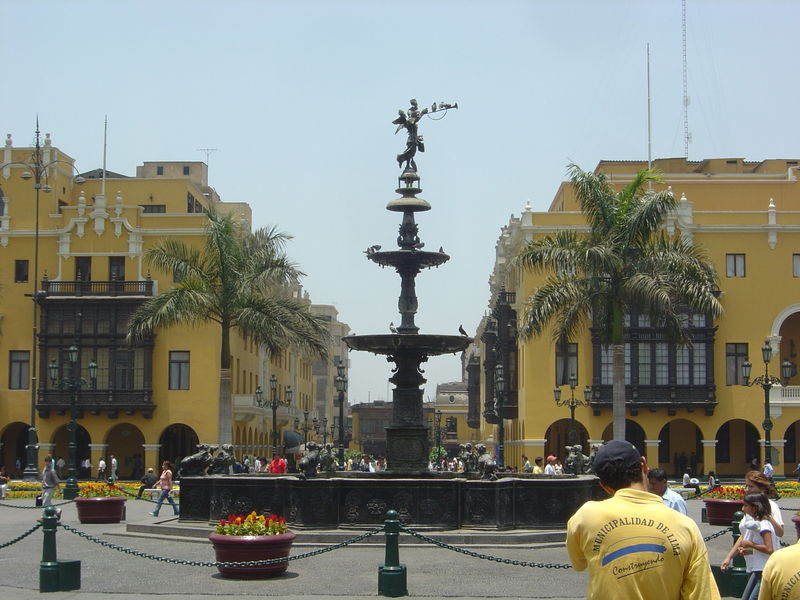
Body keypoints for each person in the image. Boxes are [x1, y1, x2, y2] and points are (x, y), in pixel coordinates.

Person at [566, 440, 720, 599]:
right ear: (645, 465)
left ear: (603, 485)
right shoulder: (686, 526)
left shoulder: (584, 517)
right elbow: (702, 594)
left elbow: (579, 564)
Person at [721, 492, 775, 600]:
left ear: (754, 508)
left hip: (764, 569)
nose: (743, 509)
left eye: (746, 506)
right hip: (758, 568)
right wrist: (750, 551)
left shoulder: (764, 525)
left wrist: (751, 545)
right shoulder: (757, 523)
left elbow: (769, 549)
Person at [745, 471, 784, 539]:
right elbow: (746, 533)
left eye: (751, 486)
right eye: (746, 486)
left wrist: (768, 517)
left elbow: (780, 533)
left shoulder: (771, 505)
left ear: (762, 488)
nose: (747, 489)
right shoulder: (749, 505)